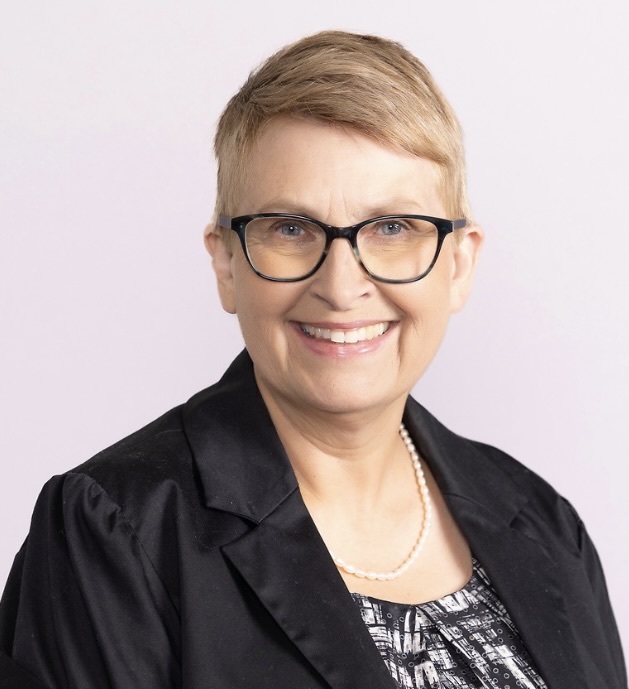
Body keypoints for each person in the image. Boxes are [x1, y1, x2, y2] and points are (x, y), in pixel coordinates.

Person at [0, 30, 625, 689]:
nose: (340, 284)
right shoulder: (116, 529)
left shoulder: (541, 522)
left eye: (392, 228)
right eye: (290, 229)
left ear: (459, 263)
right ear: (226, 262)